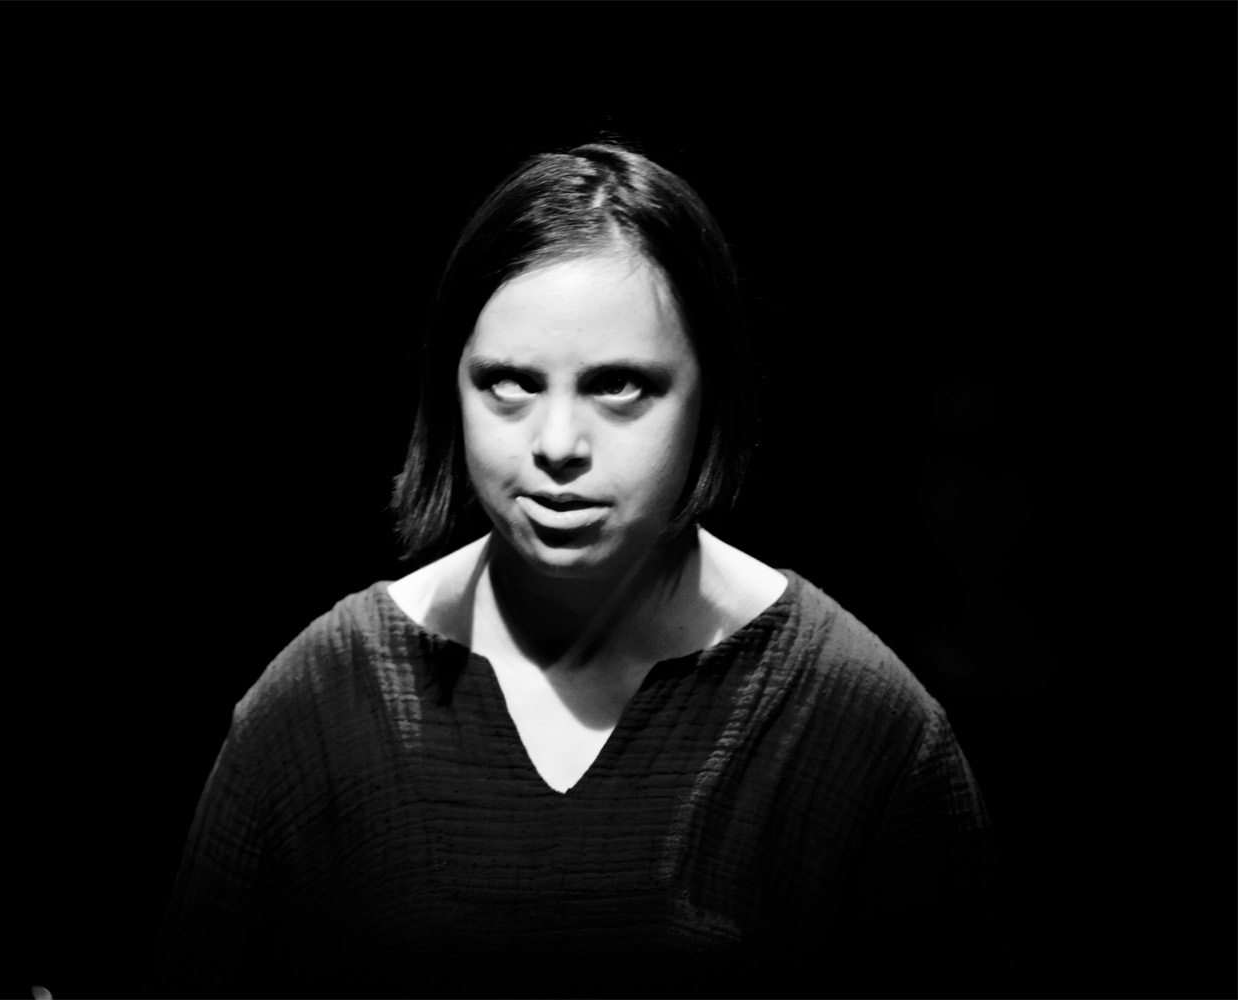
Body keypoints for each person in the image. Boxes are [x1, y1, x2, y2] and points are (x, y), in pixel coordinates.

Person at [159, 143, 993, 998]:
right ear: (451, 389)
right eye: (509, 382)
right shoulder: (317, 709)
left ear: (712, 394)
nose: (558, 443)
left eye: (620, 385)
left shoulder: (859, 730)